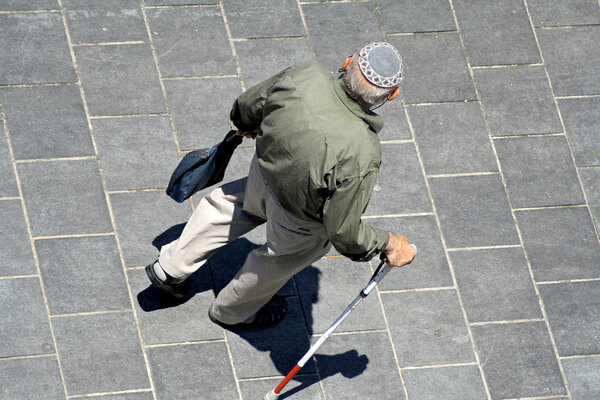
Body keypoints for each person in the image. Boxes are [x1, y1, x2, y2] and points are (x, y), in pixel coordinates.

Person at [146, 42, 417, 329]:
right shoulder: (363, 151)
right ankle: (232, 312)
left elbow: (247, 106)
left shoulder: (304, 75)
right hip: (299, 221)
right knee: (276, 261)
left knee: (227, 207)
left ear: (348, 61)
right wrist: (388, 242)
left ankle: (170, 267)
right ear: (392, 94)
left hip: (263, 175)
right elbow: (343, 231)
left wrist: (248, 124)